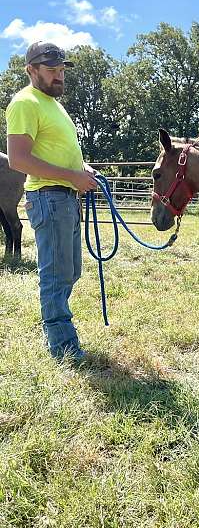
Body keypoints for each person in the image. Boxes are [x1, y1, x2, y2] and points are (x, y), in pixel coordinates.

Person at [5, 41, 98, 363]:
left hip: (65, 197)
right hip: (49, 197)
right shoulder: (24, 103)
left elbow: (53, 150)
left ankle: (57, 330)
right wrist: (71, 176)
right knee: (56, 274)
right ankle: (63, 346)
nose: (59, 76)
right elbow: (18, 160)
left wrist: (81, 169)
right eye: (52, 70)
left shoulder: (52, 105)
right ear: (31, 70)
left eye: (61, 70)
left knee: (70, 271)